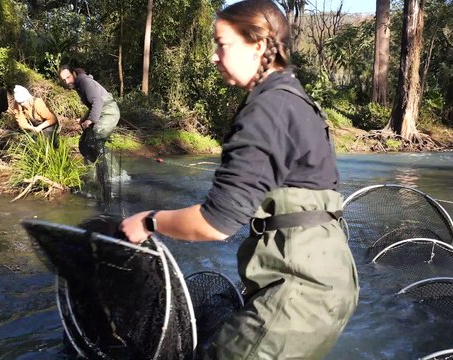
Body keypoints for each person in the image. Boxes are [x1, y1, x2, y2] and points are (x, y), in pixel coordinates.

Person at [120, 1, 359, 359]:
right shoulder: (295, 99)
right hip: (332, 284)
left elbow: (216, 224)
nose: (214, 56)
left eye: (222, 43)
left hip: (297, 294)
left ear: (259, 44)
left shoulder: (268, 109)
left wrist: (150, 221)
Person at [58, 66, 120, 162]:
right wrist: (83, 120)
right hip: (102, 112)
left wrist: (90, 120)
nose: (66, 82)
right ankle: (96, 171)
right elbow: (92, 106)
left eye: (68, 77)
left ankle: (113, 174)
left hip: (109, 112)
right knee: (87, 144)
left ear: (74, 73)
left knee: (94, 141)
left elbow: (98, 101)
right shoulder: (80, 84)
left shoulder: (84, 82)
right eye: (64, 80)